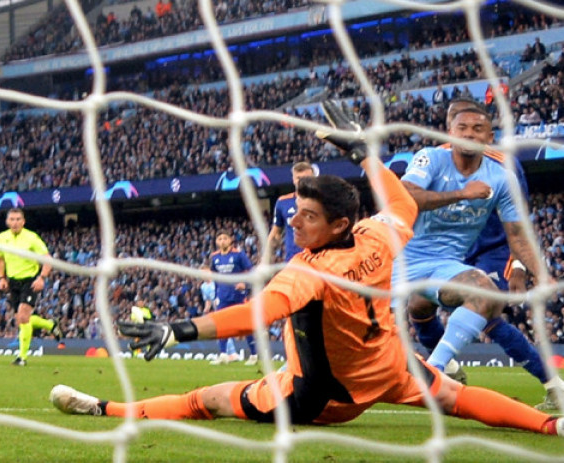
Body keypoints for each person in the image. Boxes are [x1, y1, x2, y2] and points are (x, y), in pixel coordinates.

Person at [49, 101, 563, 437]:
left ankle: (103, 411)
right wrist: (365, 155)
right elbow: (401, 203)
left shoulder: (309, 271)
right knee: (454, 395)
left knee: (205, 400)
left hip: (323, 397)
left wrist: (179, 329)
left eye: (308, 216)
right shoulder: (376, 235)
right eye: (297, 210)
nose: (295, 220)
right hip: (386, 369)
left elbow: (253, 313)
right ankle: (550, 427)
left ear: (338, 224)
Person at [411, 97, 564, 409]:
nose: (466, 133)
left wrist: (520, 266)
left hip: (492, 248)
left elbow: (518, 225)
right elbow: (408, 196)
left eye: (475, 127)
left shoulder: (502, 166)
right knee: (419, 307)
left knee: (488, 309)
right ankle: (448, 369)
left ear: (487, 132)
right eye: (458, 124)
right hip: (449, 253)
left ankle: (553, 385)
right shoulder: (433, 159)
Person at [0, 208, 62, 366]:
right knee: (21, 319)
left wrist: (42, 278)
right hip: (12, 282)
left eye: (18, 219)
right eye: (12, 219)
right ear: (7, 221)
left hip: (30, 281)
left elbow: (47, 259)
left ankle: (22, 358)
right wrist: (2, 277)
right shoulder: (2, 238)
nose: (15, 222)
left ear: (23, 221)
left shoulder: (32, 238)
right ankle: (50, 325)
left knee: (23, 317)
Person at [208, 230, 255, 365]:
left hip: (238, 295)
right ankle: (223, 354)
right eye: (219, 239)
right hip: (223, 296)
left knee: (245, 325)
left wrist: (245, 284)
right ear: (216, 242)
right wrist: (216, 294)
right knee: (221, 324)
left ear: (230, 240)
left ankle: (253, 354)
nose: (222, 241)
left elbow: (251, 272)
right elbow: (216, 278)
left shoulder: (238, 255)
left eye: (224, 238)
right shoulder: (214, 257)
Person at [268, 162, 316, 262]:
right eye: (299, 178)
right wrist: (266, 257)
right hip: (293, 261)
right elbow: (276, 232)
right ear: (293, 180)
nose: (302, 182)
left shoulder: (323, 201)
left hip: (317, 260)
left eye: (306, 178)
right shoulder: (283, 202)